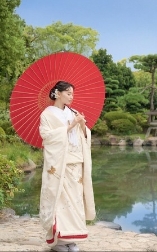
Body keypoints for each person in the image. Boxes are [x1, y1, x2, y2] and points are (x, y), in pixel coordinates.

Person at [39, 81, 96, 252]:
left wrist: (82, 125)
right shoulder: (47, 114)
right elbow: (47, 137)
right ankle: (60, 241)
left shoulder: (73, 112)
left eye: (73, 93)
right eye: (69, 93)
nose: (72, 96)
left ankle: (72, 239)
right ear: (58, 93)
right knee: (60, 201)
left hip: (76, 162)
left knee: (75, 201)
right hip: (60, 165)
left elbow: (83, 136)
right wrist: (71, 125)